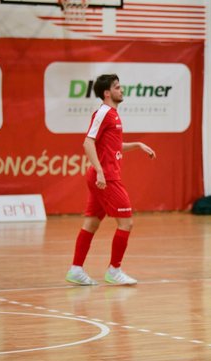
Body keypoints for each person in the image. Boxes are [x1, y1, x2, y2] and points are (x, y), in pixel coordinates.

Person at [65, 74, 156, 286]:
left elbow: (114, 146)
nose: (121, 90)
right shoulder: (104, 113)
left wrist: (138, 145)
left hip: (104, 177)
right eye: (117, 87)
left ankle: (76, 270)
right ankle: (114, 270)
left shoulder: (113, 115)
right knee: (126, 222)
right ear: (107, 93)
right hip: (107, 178)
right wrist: (99, 171)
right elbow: (87, 143)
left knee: (91, 223)